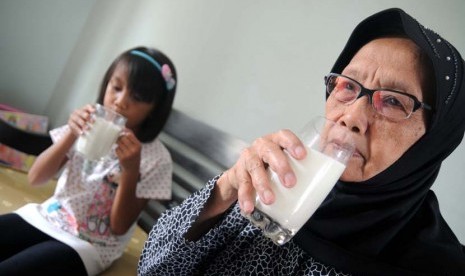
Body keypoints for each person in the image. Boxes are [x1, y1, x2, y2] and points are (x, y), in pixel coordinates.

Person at [138, 8, 465, 276]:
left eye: (393, 101)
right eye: (348, 86)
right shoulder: (280, 187)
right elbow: (153, 268)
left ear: (435, 139)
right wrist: (225, 189)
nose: (351, 117)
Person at [0, 46, 177, 275]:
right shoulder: (90, 123)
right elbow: (36, 178)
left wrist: (130, 172)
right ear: (106, 85)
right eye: (116, 88)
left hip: (89, 245)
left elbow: (119, 226)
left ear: (154, 109)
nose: (120, 101)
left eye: (137, 97)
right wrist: (71, 134)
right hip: (48, 216)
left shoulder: (156, 158)